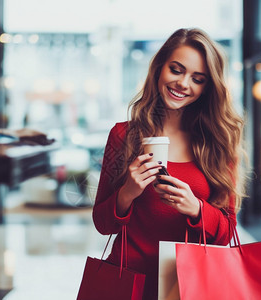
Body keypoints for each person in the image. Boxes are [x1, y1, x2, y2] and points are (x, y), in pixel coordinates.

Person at [92, 28, 246, 300]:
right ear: (159, 68)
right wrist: (128, 191)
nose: (184, 83)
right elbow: (102, 224)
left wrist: (196, 208)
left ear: (208, 87)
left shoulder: (218, 142)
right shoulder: (123, 136)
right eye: (176, 70)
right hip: (129, 281)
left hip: (190, 285)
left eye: (197, 79)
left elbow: (227, 233)